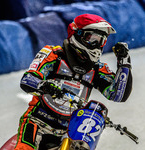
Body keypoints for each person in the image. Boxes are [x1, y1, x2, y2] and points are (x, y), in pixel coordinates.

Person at [14, 14, 132, 150]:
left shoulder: (98, 69)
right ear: (77, 34)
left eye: (101, 40)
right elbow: (27, 80)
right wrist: (44, 85)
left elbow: (118, 95)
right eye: (92, 38)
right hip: (38, 121)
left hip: (70, 131)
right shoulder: (53, 55)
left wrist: (124, 64)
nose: (97, 45)